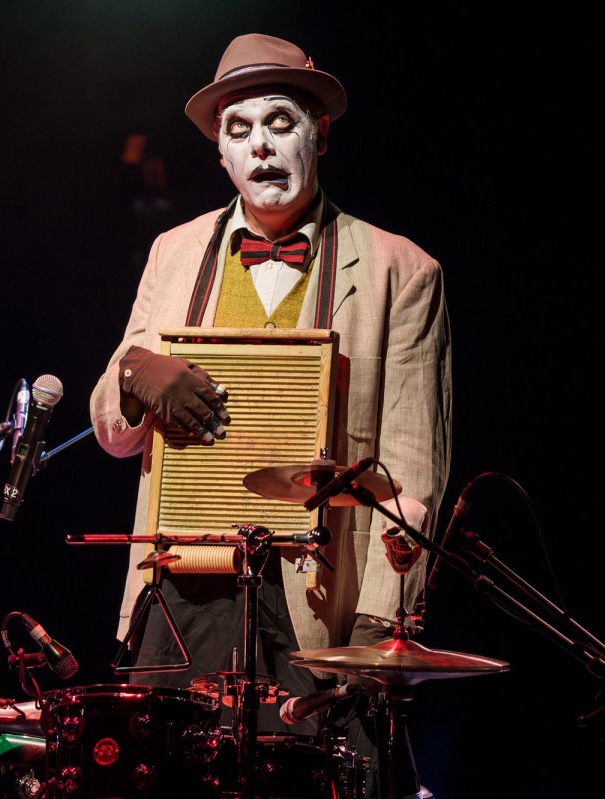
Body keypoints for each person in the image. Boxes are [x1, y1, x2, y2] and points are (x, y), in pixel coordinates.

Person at [89, 32, 451, 799]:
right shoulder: (175, 251)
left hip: (317, 608)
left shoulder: (401, 272)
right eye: (239, 129)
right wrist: (133, 372)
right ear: (220, 152)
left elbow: (413, 478)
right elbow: (114, 433)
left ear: (320, 134)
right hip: (180, 596)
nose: (260, 148)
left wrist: (371, 634)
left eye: (280, 123)